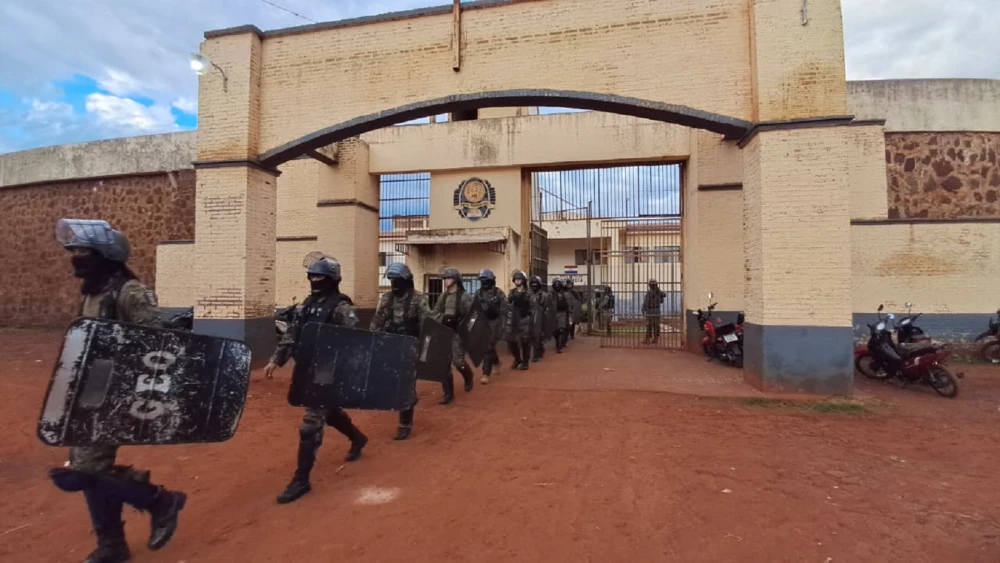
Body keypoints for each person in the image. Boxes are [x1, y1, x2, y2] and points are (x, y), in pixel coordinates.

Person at [48, 218, 187, 563]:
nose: (75, 256)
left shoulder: (129, 291)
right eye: (74, 250)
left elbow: (158, 344)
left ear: (103, 254)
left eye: (82, 250)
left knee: (86, 470)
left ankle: (159, 500)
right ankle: (112, 544)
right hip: (90, 392)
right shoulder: (94, 292)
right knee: (86, 465)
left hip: (119, 395)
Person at [264, 253, 369, 504]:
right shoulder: (308, 304)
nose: (314, 280)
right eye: (311, 276)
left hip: (328, 371)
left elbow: (355, 341)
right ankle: (357, 437)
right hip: (307, 368)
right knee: (330, 412)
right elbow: (292, 333)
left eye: (319, 276)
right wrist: (276, 359)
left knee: (310, 424)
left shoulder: (341, 307)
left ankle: (301, 480)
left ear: (331, 279)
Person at [369, 262, 434, 440]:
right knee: (392, 383)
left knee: (404, 385)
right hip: (391, 346)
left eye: (398, 280)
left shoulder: (418, 299)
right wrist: (372, 341)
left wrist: (424, 350)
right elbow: (378, 321)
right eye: (391, 280)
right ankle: (409, 399)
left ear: (406, 280)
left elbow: (427, 326)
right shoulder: (386, 298)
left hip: (410, 347)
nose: (394, 284)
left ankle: (405, 422)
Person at [433, 268, 476, 404]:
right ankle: (448, 394)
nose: (446, 281)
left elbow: (471, 316)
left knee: (458, 362)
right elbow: (435, 313)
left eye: (448, 278)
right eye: (444, 278)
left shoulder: (464, 297)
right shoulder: (443, 297)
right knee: (444, 364)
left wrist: (460, 323)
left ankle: (468, 377)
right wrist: (443, 319)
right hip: (445, 332)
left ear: (456, 280)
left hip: (458, 332)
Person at [473, 269, 507, 384]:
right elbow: (473, 307)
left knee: (488, 346)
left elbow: (504, 309)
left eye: (486, 280)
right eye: (482, 281)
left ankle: (485, 373)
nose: (484, 283)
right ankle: (496, 362)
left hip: (495, 322)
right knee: (488, 347)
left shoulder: (499, 293)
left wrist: (503, 324)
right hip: (483, 321)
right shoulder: (478, 293)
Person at [506, 270, 532, 370]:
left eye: (519, 279)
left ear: (523, 280)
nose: (517, 281)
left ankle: (525, 362)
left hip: (525, 318)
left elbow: (533, 305)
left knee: (525, 341)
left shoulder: (528, 293)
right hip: (514, 319)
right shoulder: (512, 292)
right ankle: (517, 358)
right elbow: (508, 304)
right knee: (510, 340)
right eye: (516, 279)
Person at [529, 275, 550, 362]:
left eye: (536, 284)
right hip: (529, 316)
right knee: (530, 336)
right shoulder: (528, 294)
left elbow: (548, 308)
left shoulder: (545, 295)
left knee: (538, 335)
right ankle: (539, 349)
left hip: (540, 317)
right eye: (532, 284)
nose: (534, 286)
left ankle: (536, 355)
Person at [551, 278, 571, 353]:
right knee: (555, 331)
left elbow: (569, 304)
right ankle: (558, 344)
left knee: (561, 329)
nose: (557, 286)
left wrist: (569, 312)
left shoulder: (564, 293)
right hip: (553, 313)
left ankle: (559, 346)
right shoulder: (551, 294)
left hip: (562, 312)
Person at [643, 278, 665, 345]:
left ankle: (648, 339)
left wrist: (644, 309)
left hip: (650, 310)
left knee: (649, 325)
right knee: (656, 325)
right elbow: (663, 297)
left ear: (650, 285)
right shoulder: (659, 292)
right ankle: (655, 339)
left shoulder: (649, 292)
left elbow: (646, 302)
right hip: (657, 310)